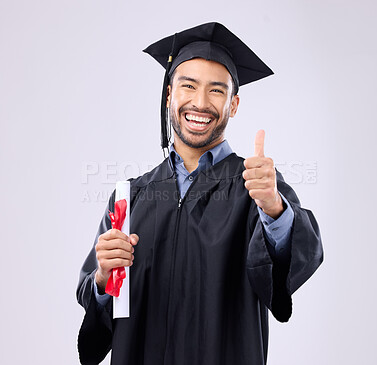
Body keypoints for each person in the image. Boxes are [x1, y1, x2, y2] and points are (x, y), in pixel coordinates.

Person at [76, 22, 323, 365]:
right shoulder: (130, 197)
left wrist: (274, 210)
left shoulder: (255, 186)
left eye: (217, 91)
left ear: (233, 105)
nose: (200, 102)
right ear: (169, 96)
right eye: (188, 86)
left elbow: (292, 266)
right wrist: (103, 278)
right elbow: (98, 303)